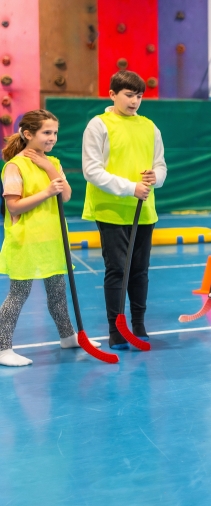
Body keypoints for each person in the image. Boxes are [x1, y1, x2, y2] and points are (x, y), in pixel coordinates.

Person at [0, 109, 102, 366]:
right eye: (46, 132)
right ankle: (2, 348)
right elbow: (14, 207)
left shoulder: (53, 163)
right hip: (25, 240)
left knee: (57, 293)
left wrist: (47, 167)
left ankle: (68, 336)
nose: (52, 137)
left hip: (53, 238)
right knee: (18, 294)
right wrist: (46, 191)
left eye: (55, 132)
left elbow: (65, 196)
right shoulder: (15, 166)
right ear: (27, 134)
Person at [82, 71, 167, 349]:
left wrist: (157, 176)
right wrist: (130, 188)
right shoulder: (99, 125)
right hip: (112, 210)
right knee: (118, 269)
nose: (135, 101)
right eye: (129, 95)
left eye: (139, 96)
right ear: (112, 95)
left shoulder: (150, 126)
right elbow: (91, 170)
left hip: (144, 210)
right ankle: (116, 330)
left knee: (140, 271)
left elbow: (161, 164)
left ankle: (139, 324)